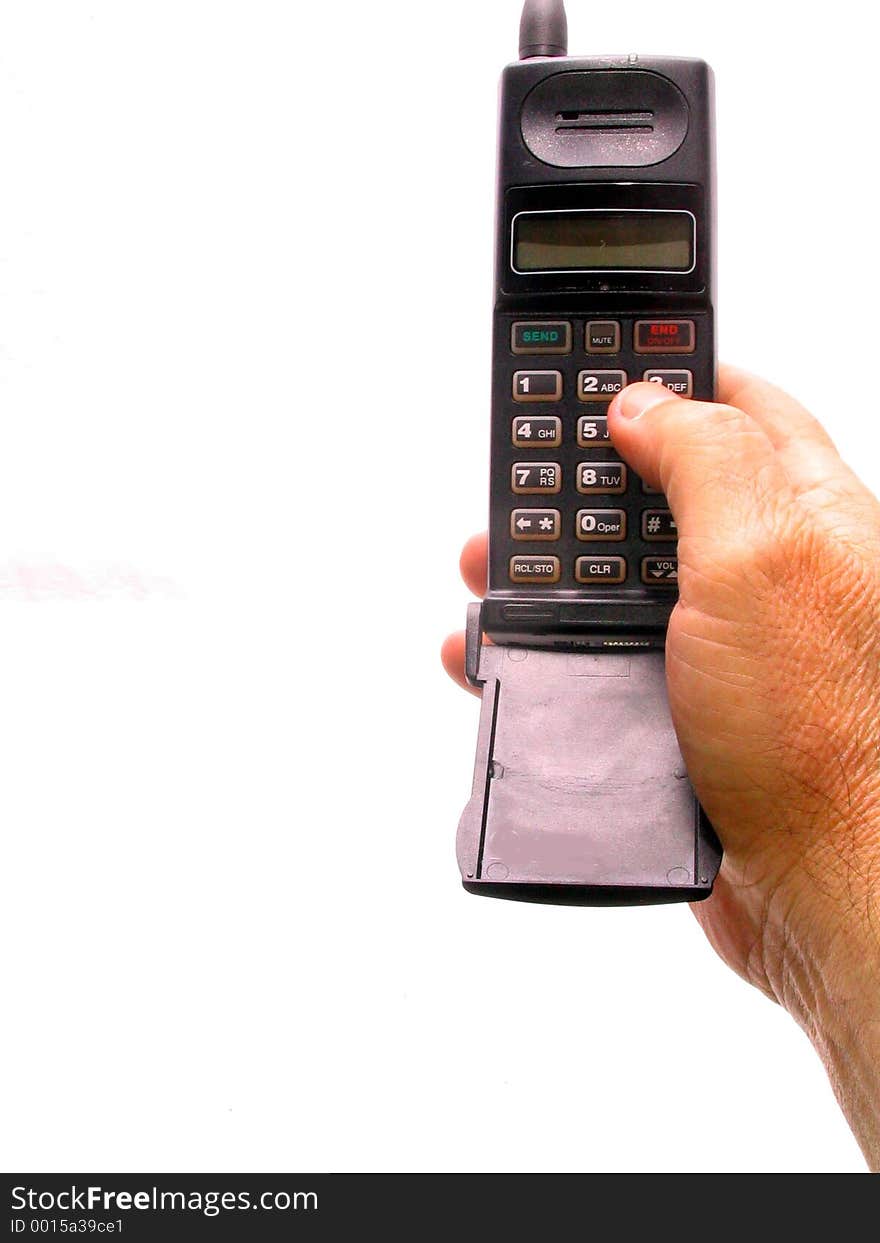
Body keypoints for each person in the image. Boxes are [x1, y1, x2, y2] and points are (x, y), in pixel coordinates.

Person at [441, 367, 880, 1169]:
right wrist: (809, 874)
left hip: (640, 619)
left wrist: (827, 832)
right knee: (514, 557)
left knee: (519, 553)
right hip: (550, 619)